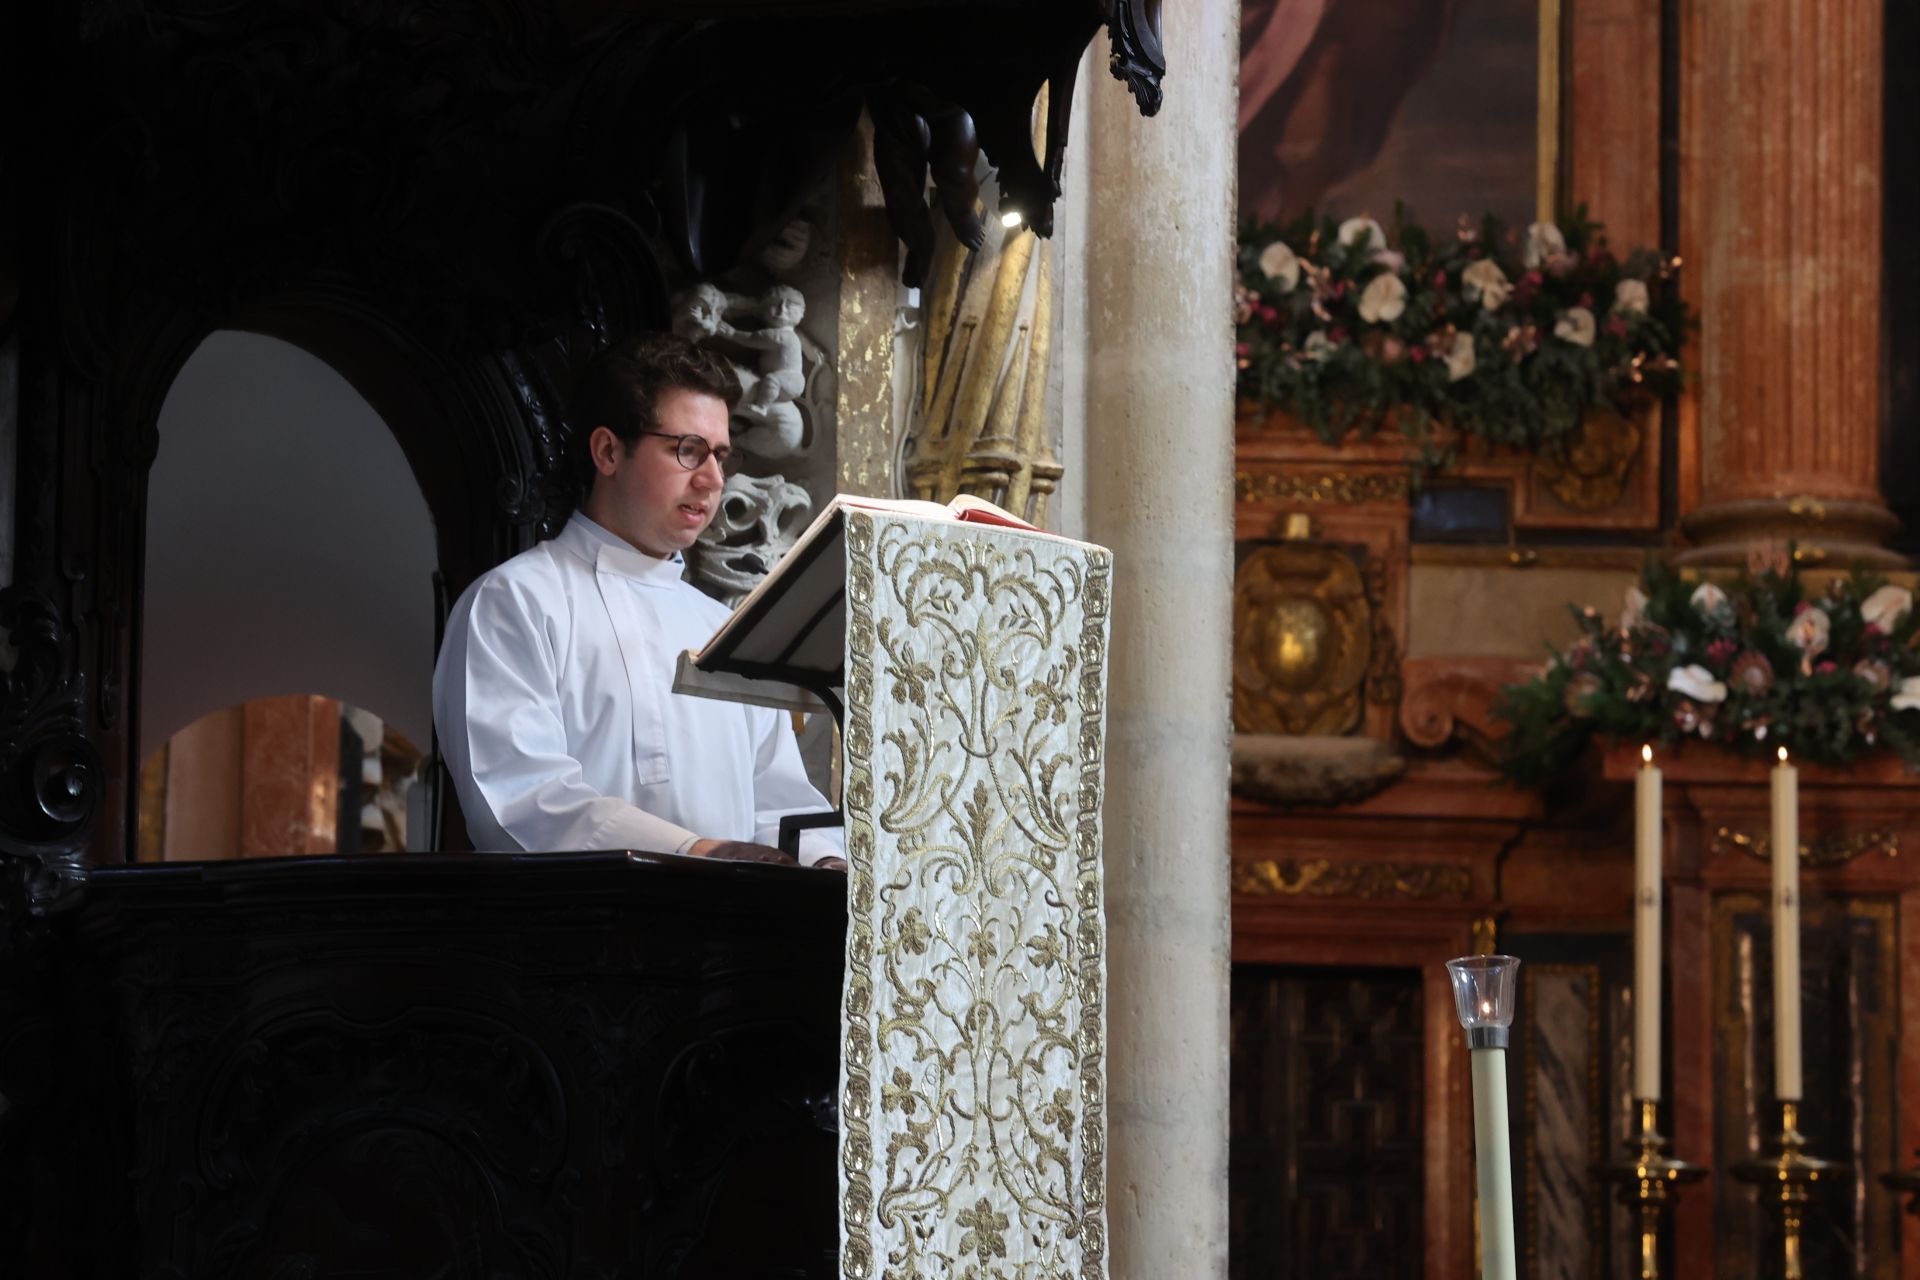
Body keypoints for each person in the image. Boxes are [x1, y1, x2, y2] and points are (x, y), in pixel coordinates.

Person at [432, 332, 845, 868]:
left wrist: (821, 863)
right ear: (608, 451)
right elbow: (521, 798)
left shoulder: (724, 627)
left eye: (721, 455)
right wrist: (696, 852)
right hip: (581, 933)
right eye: (688, 450)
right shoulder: (515, 602)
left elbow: (780, 800)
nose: (712, 479)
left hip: (739, 938)